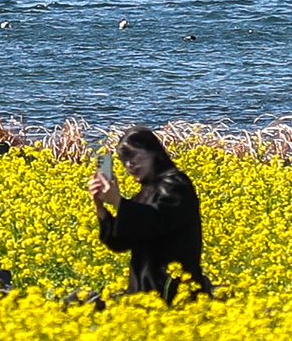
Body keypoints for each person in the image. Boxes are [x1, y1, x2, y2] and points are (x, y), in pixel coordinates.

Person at [90, 126, 209, 301]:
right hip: (144, 292)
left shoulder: (175, 184)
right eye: (124, 160)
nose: (129, 165)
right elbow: (120, 243)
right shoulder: (145, 193)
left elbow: (156, 222)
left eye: (134, 156)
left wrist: (118, 202)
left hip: (173, 292)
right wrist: (101, 209)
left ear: (153, 153)